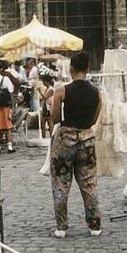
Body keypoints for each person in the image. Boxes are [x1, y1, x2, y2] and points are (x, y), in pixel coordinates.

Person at [48, 51, 103, 237]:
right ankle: (94, 225)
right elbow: (94, 119)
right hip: (87, 139)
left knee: (61, 184)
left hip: (65, 139)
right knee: (89, 183)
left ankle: (61, 227)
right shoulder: (97, 93)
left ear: (71, 69)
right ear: (87, 70)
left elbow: (55, 117)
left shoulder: (61, 91)